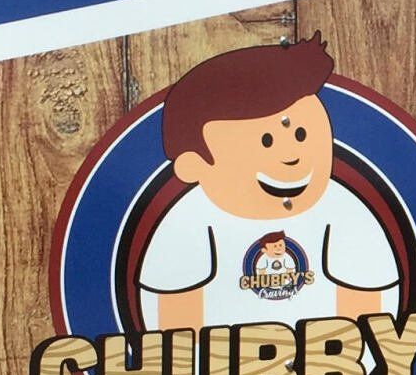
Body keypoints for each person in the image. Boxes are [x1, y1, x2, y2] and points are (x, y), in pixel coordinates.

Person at [139, 37, 399, 333]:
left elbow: (370, 308)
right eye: (266, 142)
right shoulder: (186, 221)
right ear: (192, 166)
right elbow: (172, 332)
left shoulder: (344, 209)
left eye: (301, 134)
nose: (291, 158)